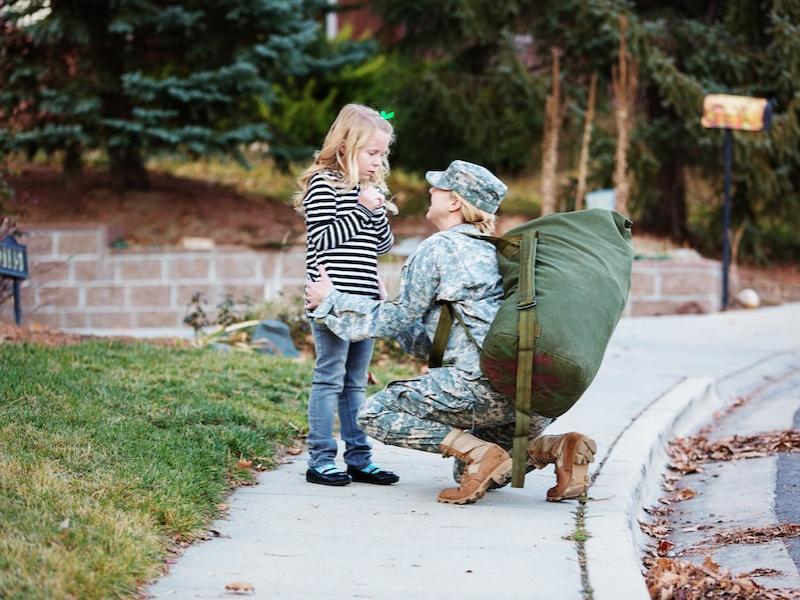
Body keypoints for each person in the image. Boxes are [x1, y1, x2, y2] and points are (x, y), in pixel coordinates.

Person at [306, 160, 596, 504]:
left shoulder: (438, 248)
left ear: (455, 201)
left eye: (439, 187)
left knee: (373, 413)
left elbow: (390, 320)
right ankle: (557, 447)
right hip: (532, 393)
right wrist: (398, 312)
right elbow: (428, 343)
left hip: (479, 387)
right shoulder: (500, 250)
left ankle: (479, 452)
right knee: (473, 472)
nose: (431, 191)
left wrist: (331, 300)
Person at [294, 103, 399, 487]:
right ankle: (321, 459)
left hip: (365, 303)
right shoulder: (324, 184)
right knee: (329, 378)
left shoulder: (367, 191)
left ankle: (359, 458)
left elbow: (382, 244)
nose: (378, 161)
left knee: (356, 382)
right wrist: (358, 208)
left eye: (382, 154)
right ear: (345, 147)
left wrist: (375, 210)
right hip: (331, 300)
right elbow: (322, 241)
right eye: (371, 152)